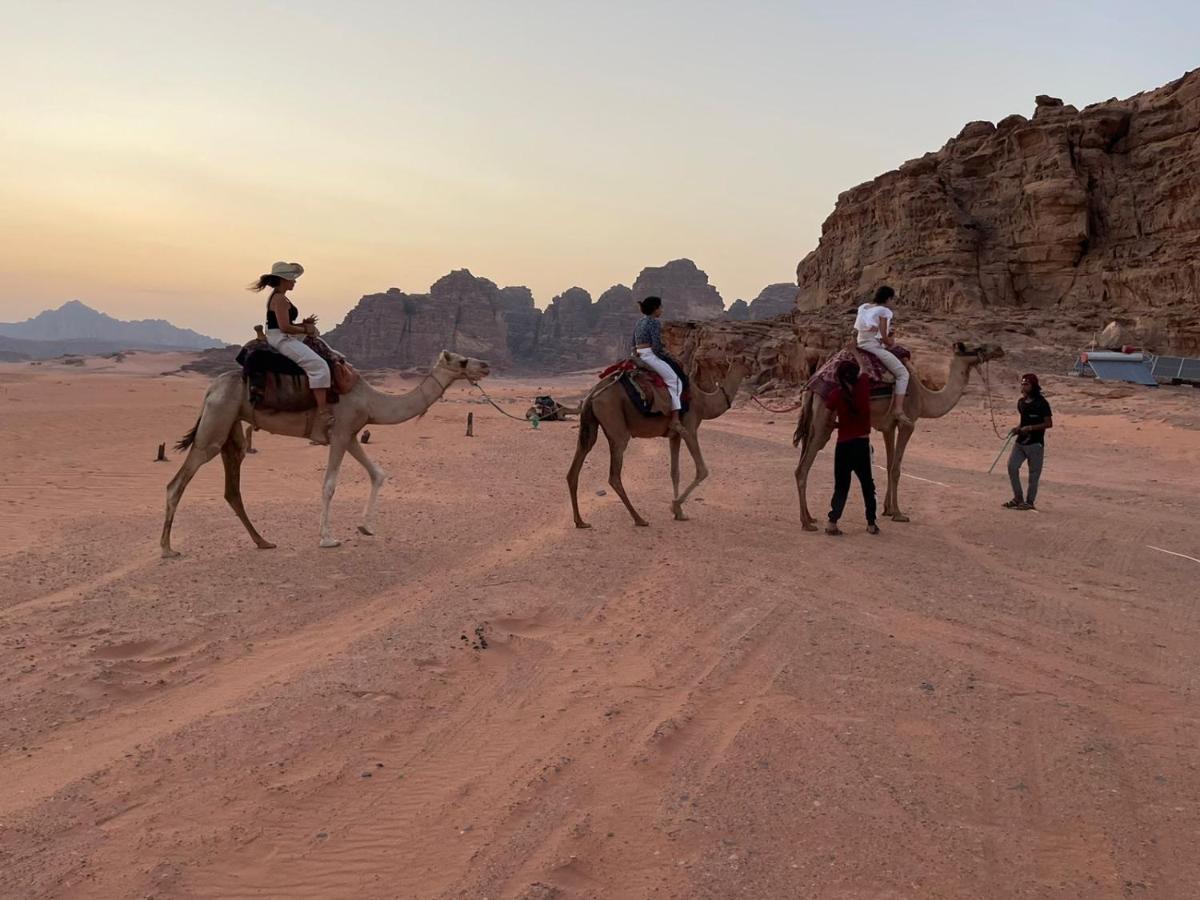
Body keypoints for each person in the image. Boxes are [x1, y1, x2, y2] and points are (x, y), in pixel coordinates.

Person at [250, 261, 334, 434]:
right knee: (319, 366)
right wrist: (306, 329)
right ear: (283, 280)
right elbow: (284, 327)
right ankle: (323, 413)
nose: (295, 282)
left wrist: (304, 324)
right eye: (292, 279)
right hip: (282, 339)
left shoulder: (281, 297)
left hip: (284, 336)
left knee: (327, 351)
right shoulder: (279, 299)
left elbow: (286, 324)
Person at [825, 359, 879, 535]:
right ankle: (871, 524)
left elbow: (828, 418)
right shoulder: (863, 386)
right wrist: (854, 350)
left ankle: (832, 522)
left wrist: (838, 425)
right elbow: (865, 367)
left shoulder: (835, 395)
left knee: (841, 486)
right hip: (861, 445)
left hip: (843, 446)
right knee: (867, 485)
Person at [854, 285, 912, 426]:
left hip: (860, 343)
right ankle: (898, 410)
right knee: (903, 374)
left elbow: (860, 328)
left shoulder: (864, 307)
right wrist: (891, 343)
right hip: (872, 346)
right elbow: (885, 338)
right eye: (893, 299)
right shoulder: (884, 311)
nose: (893, 302)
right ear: (888, 298)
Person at [632, 295, 683, 433]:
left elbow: (633, 343)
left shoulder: (639, 322)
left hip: (639, 355)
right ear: (655, 309)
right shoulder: (654, 323)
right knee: (675, 381)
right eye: (661, 307)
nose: (662, 310)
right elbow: (656, 348)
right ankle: (675, 419)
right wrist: (670, 357)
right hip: (650, 356)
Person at [1004, 373, 1053, 510]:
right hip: (1021, 442)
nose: (1023, 387)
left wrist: (1030, 428)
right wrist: (1017, 428)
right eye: (1023, 384)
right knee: (1012, 467)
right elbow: (1023, 421)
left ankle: (1029, 502)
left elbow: (1048, 423)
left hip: (1036, 444)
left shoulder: (1042, 403)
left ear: (1033, 386)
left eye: (1027, 384)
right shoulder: (1021, 403)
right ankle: (1018, 498)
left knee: (1034, 475)